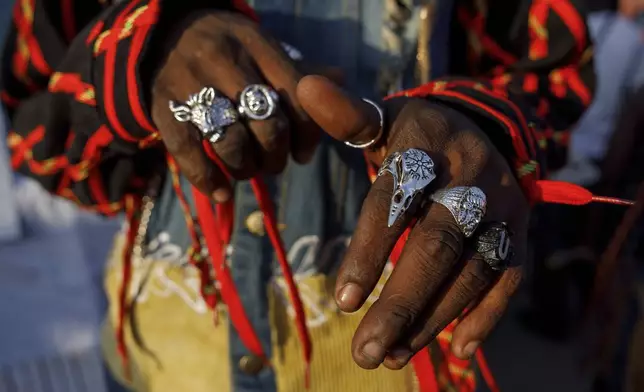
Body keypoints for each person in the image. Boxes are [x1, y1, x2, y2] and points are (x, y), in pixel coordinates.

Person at [1, 0, 601, 391]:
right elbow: (37, 134)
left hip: (390, 367)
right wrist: (140, 55)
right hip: (164, 360)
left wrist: (481, 130)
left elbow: (551, 75)